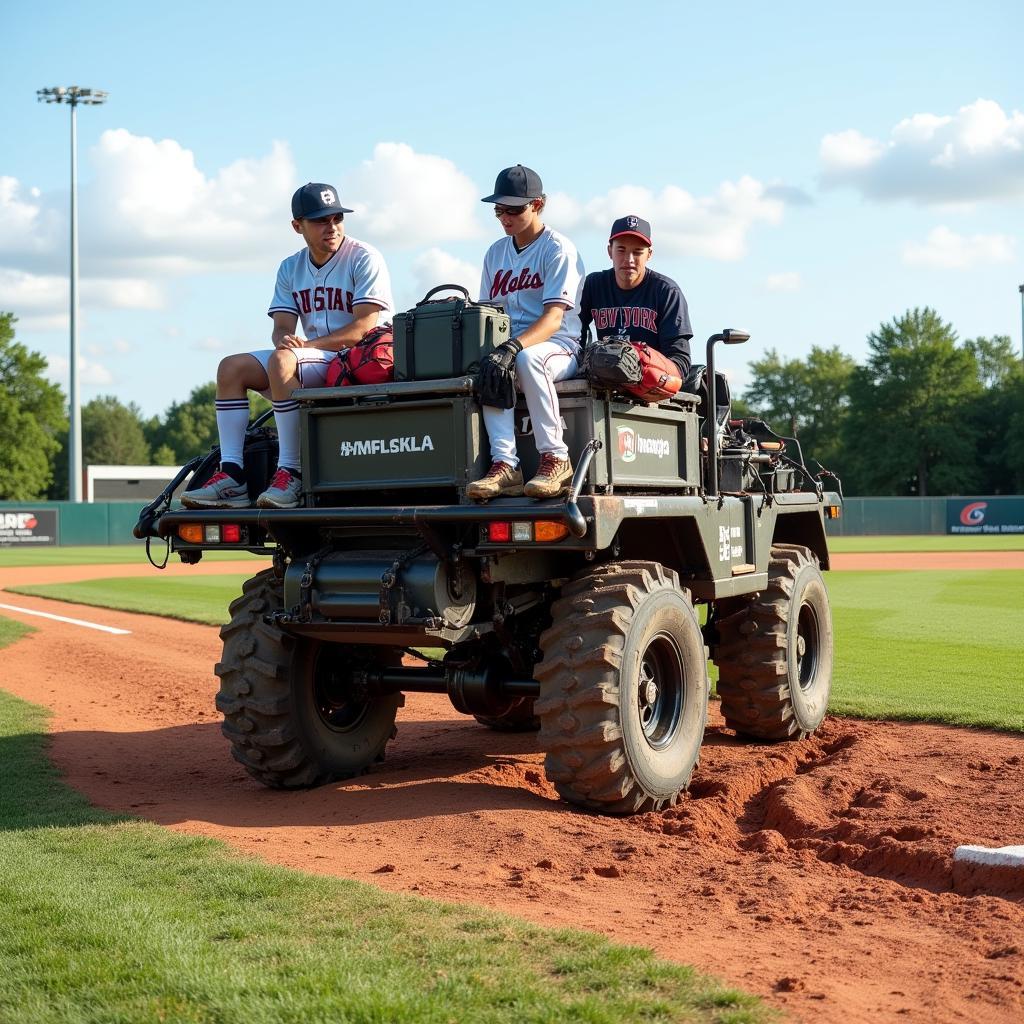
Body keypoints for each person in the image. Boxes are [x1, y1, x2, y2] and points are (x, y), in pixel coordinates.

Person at [181, 183, 393, 510]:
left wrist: (300, 346)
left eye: (337, 218)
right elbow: (281, 326)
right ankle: (232, 475)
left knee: (282, 362)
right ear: (298, 226)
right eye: (321, 220)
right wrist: (285, 340)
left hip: (357, 362)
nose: (332, 227)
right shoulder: (290, 267)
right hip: (311, 358)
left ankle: (290, 472)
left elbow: (364, 326)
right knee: (230, 368)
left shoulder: (363, 257)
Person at [467, 165, 585, 501]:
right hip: (513, 344)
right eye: (499, 210)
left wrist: (511, 347)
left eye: (514, 209)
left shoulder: (558, 248)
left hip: (558, 344)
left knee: (527, 359)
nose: (505, 217)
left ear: (538, 204)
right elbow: (489, 316)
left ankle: (557, 458)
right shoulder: (495, 252)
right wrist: (496, 351)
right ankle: (506, 465)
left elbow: (552, 320)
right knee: (489, 365)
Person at [579, 215, 692, 378]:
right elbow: (573, 334)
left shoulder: (666, 291)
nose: (629, 259)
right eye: (621, 250)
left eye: (638, 252)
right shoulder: (594, 285)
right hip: (605, 378)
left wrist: (641, 364)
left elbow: (680, 363)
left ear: (649, 254)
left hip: (649, 386)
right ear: (609, 251)